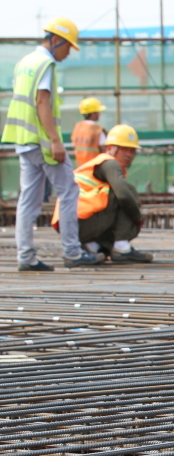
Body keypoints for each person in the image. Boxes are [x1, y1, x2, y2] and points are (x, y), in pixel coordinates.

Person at [1, 18, 104, 271]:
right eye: (67, 46)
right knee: (69, 191)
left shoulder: (25, 62)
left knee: (28, 200)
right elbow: (42, 102)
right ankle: (72, 252)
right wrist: (56, 142)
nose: (68, 53)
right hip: (43, 143)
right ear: (55, 40)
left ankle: (26, 257)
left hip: (24, 141)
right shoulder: (45, 64)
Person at [53, 125, 153, 263]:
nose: (129, 154)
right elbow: (123, 195)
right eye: (124, 149)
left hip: (72, 225)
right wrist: (137, 219)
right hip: (78, 223)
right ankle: (121, 247)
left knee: (111, 195)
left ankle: (93, 246)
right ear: (110, 148)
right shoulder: (110, 163)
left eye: (132, 150)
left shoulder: (98, 163)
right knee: (126, 190)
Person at [72, 97, 107, 166]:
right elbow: (105, 152)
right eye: (98, 111)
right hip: (95, 170)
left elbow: (74, 146)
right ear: (93, 113)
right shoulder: (98, 130)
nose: (99, 114)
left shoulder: (77, 127)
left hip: (80, 168)